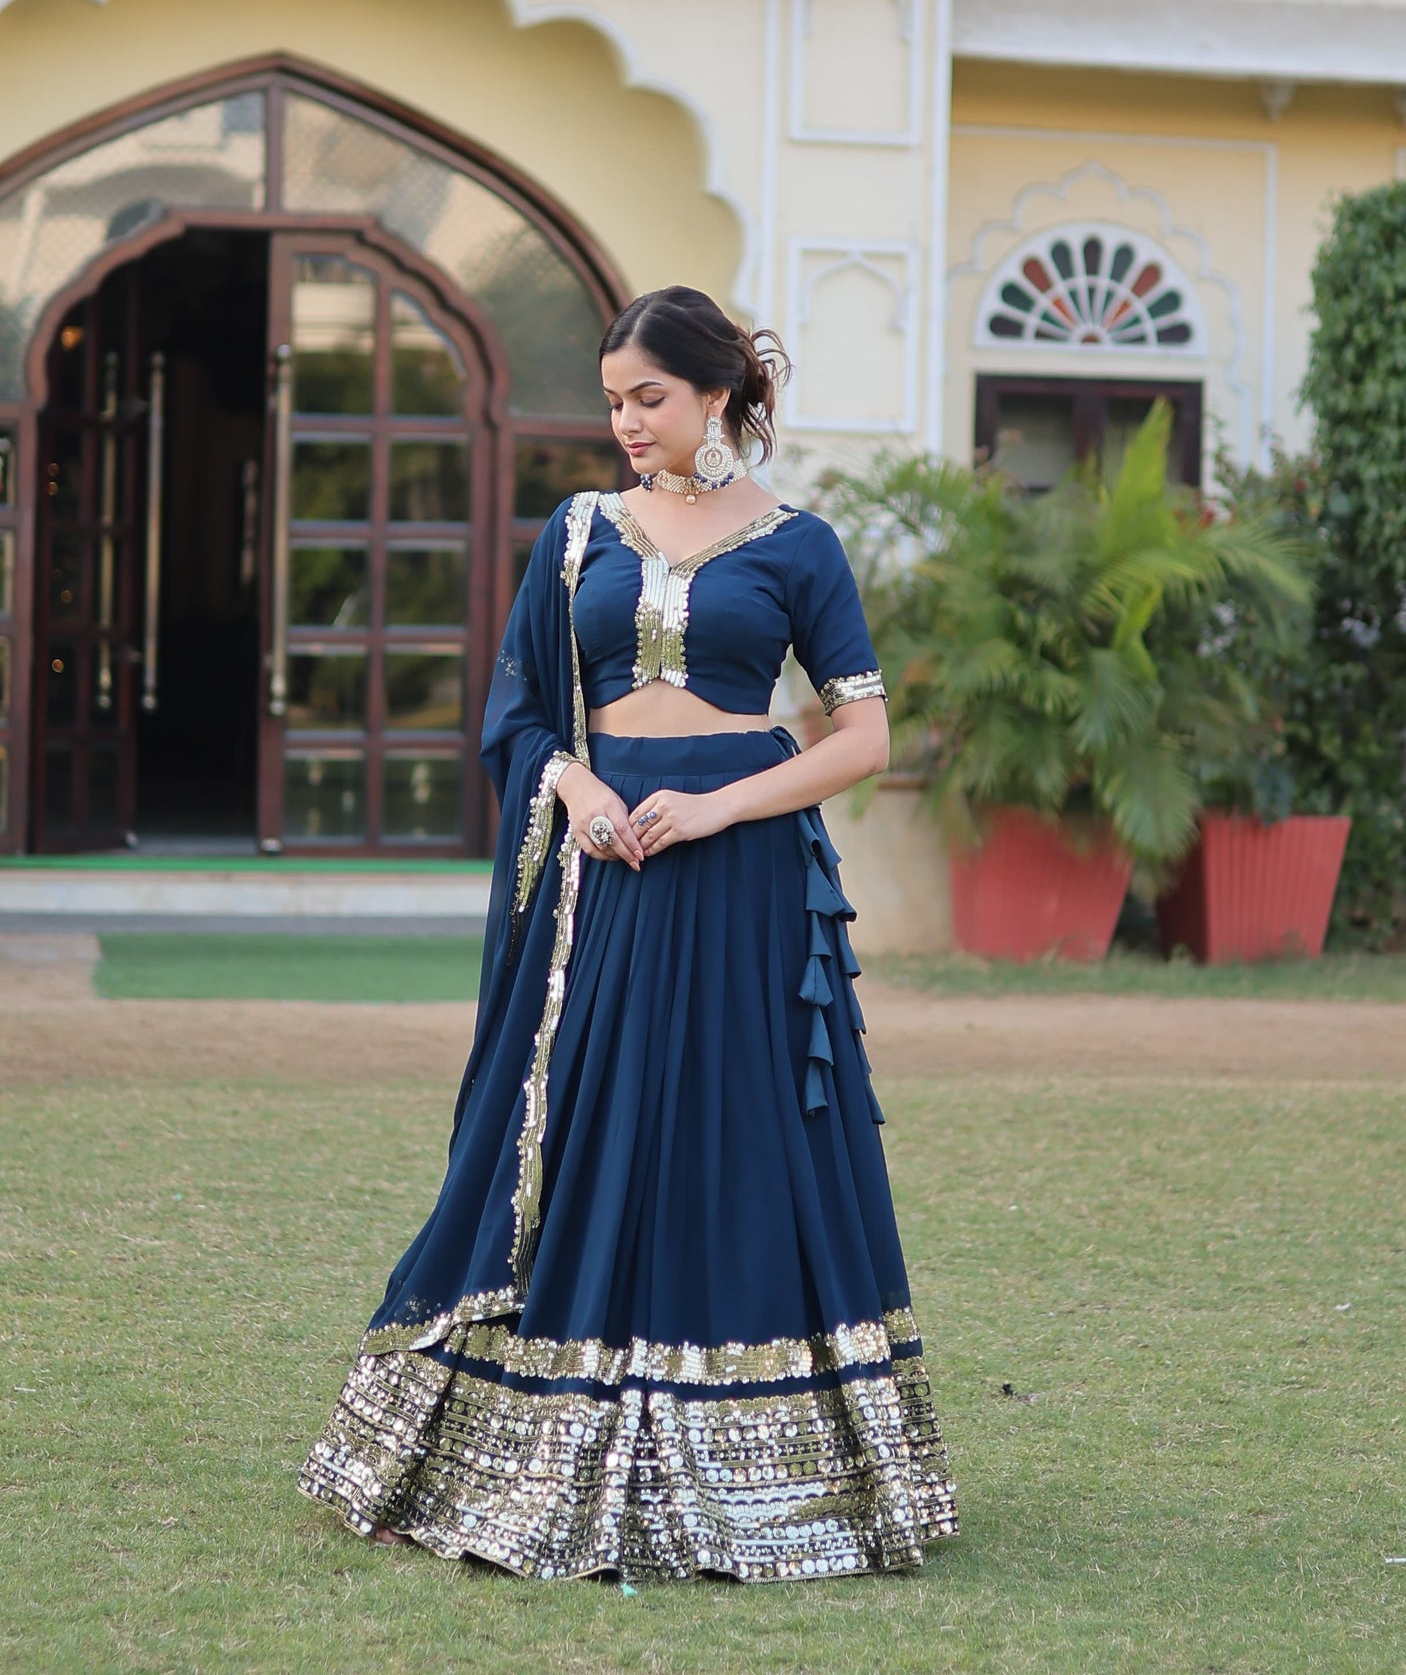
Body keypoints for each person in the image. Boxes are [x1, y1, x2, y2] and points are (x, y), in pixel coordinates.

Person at [300, 285, 956, 1582]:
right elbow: (523, 717)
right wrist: (579, 788)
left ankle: (775, 1471)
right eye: (611, 402)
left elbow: (862, 739)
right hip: (607, 874)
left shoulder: (798, 545)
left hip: (747, 880)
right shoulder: (576, 534)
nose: (626, 425)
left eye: (647, 398)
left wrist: (715, 811)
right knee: (586, 1125)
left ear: (717, 392)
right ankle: (527, 1445)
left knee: (738, 1136)